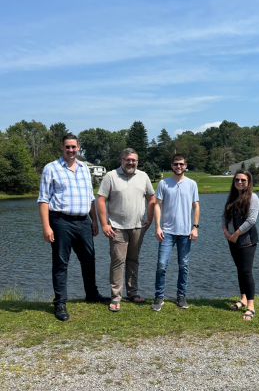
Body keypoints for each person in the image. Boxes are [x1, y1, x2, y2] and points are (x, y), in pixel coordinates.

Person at [38, 133, 111, 321]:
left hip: (84, 221)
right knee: (61, 263)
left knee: (89, 259)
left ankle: (92, 294)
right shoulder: (51, 168)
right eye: (67, 147)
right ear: (62, 148)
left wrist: (94, 220)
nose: (71, 150)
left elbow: (90, 198)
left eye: (74, 147)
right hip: (61, 221)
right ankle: (60, 303)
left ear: (79, 148)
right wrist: (46, 227)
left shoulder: (84, 168)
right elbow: (43, 200)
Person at [96, 148, 155, 312]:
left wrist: (149, 219)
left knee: (133, 260)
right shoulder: (111, 176)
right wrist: (104, 224)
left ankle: (133, 292)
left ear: (137, 162)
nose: (131, 163)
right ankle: (115, 297)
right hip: (116, 227)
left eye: (134, 160)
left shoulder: (143, 176)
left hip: (137, 226)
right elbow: (101, 200)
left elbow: (151, 198)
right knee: (118, 261)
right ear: (121, 160)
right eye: (128, 160)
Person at [151, 154, 199, 311]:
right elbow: (157, 205)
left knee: (183, 266)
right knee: (161, 265)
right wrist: (157, 227)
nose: (179, 166)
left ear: (186, 165)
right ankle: (159, 297)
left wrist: (195, 227)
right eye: (176, 164)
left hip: (185, 233)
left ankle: (181, 296)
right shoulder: (164, 184)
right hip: (167, 233)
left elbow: (195, 206)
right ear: (171, 165)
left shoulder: (192, 184)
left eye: (181, 164)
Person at [221, 169, 259, 321]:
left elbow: (251, 220)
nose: (239, 182)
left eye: (243, 180)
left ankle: (251, 306)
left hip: (246, 240)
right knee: (239, 270)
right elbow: (224, 216)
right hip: (231, 239)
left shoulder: (253, 197)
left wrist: (236, 234)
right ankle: (243, 298)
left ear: (248, 182)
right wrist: (225, 231)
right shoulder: (231, 197)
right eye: (237, 180)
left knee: (246, 271)